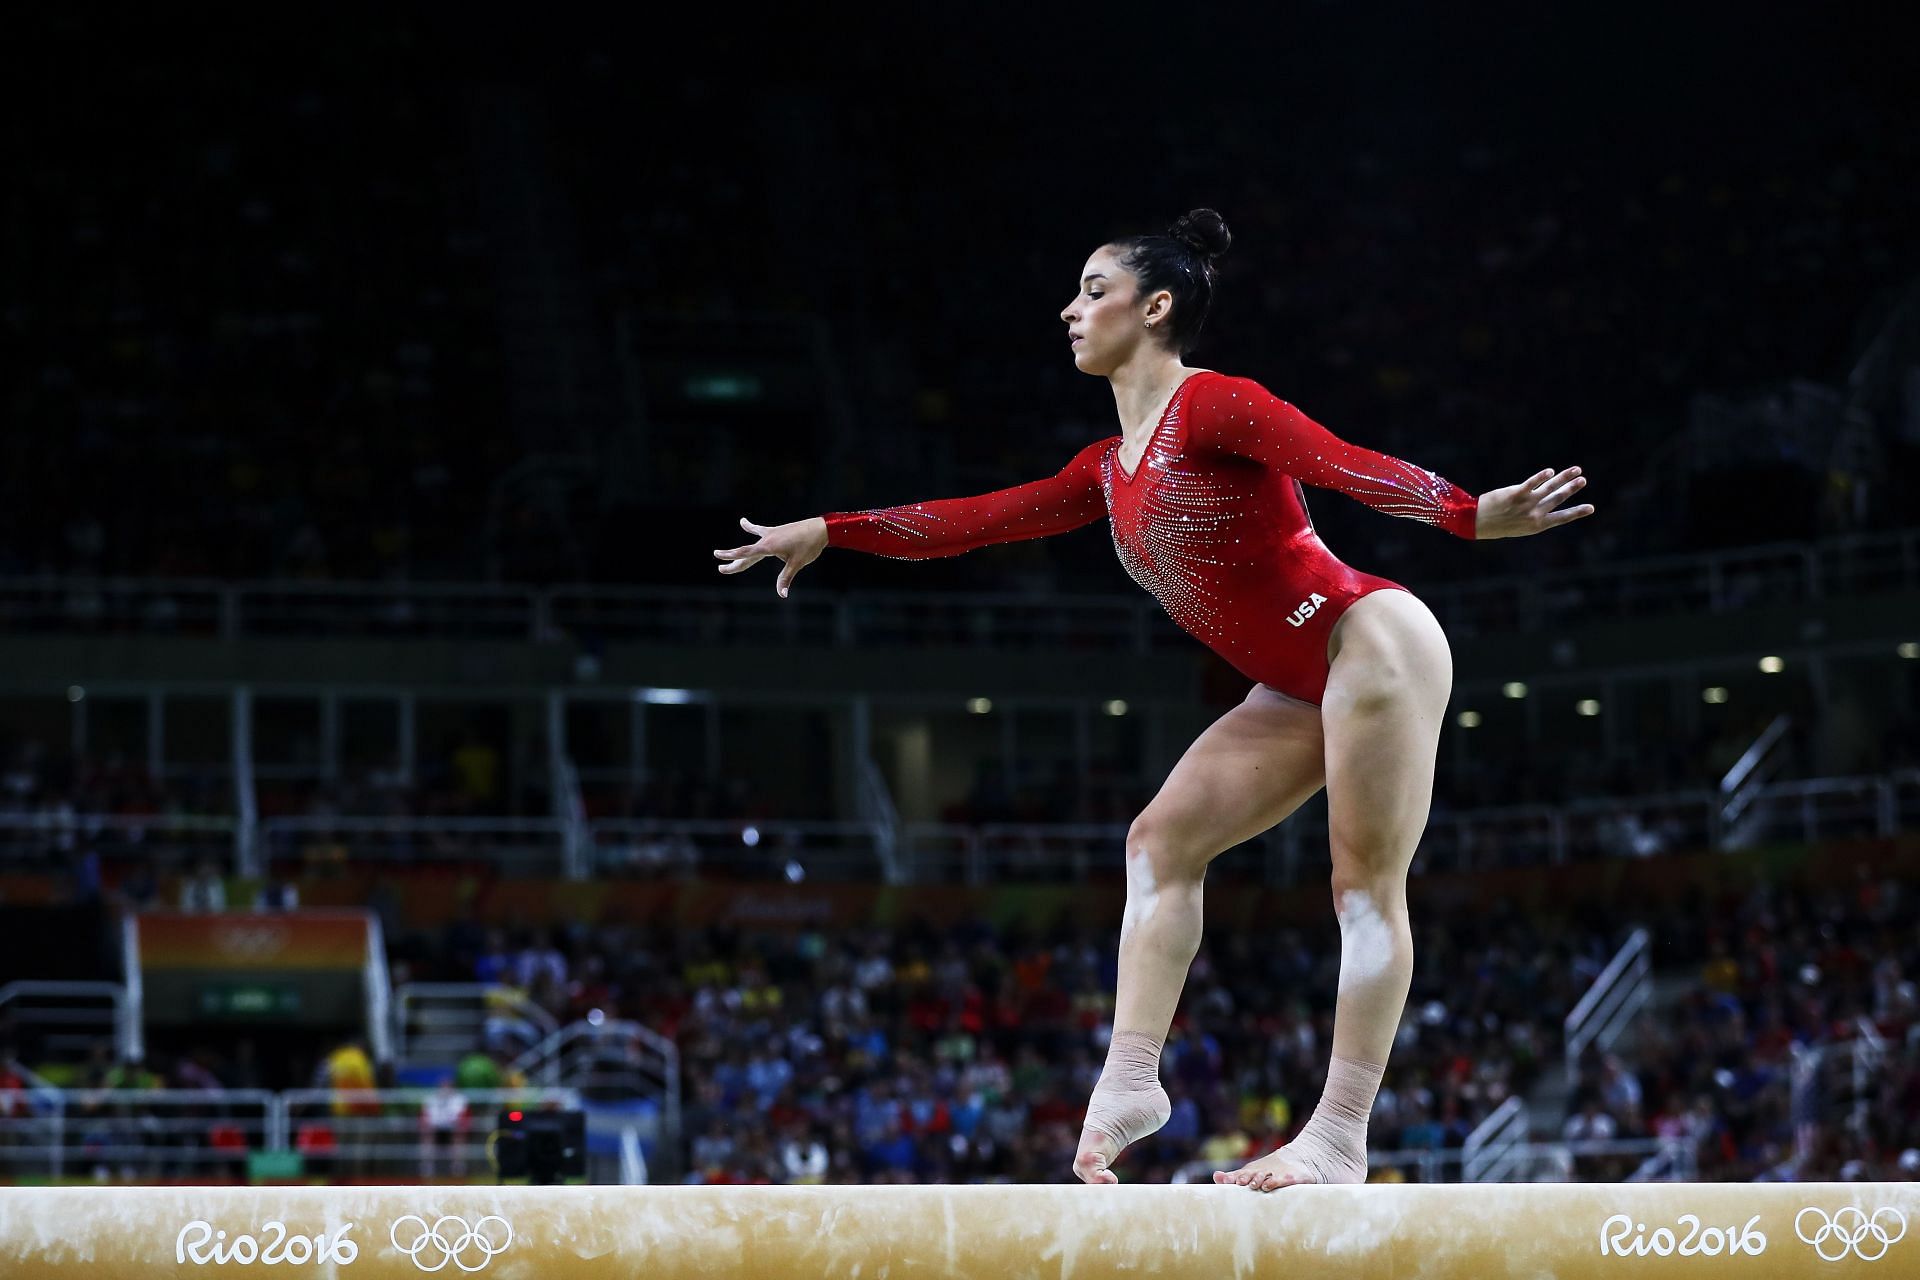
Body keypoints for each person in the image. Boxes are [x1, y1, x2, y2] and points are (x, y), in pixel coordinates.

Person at [711, 208, 1593, 1189]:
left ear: (1156, 305)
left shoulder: (1213, 405)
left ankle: (1341, 1130)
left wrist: (1464, 512)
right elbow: (972, 522)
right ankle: (1131, 1076)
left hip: (1369, 638)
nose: (1069, 311)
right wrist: (834, 528)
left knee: (1358, 886)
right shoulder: (1106, 467)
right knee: (1157, 842)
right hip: (1293, 683)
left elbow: (1336, 459)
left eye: (1094, 290)